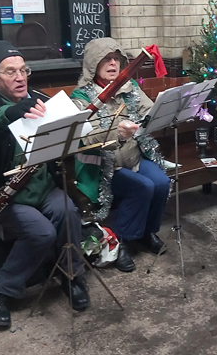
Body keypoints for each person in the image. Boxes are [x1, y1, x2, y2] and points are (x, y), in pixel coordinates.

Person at [0, 41, 89, 330]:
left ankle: (72, 276)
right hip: (8, 195)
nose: (21, 77)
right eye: (11, 72)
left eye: (24, 70)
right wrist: (9, 113)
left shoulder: (39, 97)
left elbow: (69, 135)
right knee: (41, 232)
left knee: (69, 211)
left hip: (45, 187)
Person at [70, 38, 171, 273]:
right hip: (102, 169)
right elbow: (87, 138)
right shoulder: (82, 98)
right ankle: (122, 241)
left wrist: (160, 111)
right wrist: (117, 131)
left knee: (161, 182)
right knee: (142, 187)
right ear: (94, 63)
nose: (113, 63)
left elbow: (148, 111)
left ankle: (147, 232)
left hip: (133, 159)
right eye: (106, 58)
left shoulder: (129, 87)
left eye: (116, 58)